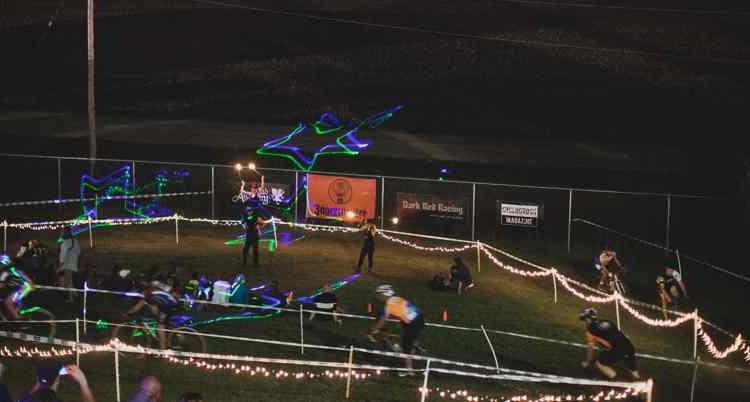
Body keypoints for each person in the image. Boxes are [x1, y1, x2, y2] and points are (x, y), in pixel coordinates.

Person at [370, 284, 424, 376]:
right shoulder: (397, 298)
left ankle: (409, 371)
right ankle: (416, 346)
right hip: (415, 319)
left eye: (379, 295)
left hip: (413, 323)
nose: (378, 297)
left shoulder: (388, 306)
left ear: (385, 294)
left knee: (406, 346)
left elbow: (382, 321)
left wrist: (373, 330)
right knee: (408, 339)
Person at [579, 307, 640, 380]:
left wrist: (587, 362)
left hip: (618, 350)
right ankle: (636, 376)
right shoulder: (606, 321)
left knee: (599, 363)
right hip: (629, 346)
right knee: (631, 366)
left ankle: (615, 378)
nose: (585, 322)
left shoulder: (591, 330)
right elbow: (621, 335)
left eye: (585, 319)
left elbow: (591, 348)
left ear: (588, 319)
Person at [121, 275, 180, 349]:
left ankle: (163, 349)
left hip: (169, 304)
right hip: (169, 301)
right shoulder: (153, 284)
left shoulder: (148, 292)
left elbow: (139, 306)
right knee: (155, 314)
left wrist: (128, 313)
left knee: (160, 325)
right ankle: (165, 337)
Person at [19, 363, 95, 402]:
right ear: (57, 381)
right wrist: (83, 382)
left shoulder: (25, 399)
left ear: (37, 378)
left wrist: (38, 383)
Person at [0, 254, 33, 321]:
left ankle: (18, 319)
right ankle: (17, 314)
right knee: (15, 302)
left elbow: (1, 284)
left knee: (7, 302)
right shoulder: (12, 268)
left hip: (24, 287)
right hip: (26, 286)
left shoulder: (5, 272)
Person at [58, 227, 81, 303]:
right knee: (70, 281)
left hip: (67, 264)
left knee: (67, 282)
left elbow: (63, 255)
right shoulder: (75, 241)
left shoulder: (65, 242)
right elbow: (78, 252)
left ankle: (71, 298)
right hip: (73, 262)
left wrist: (60, 266)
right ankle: (75, 295)